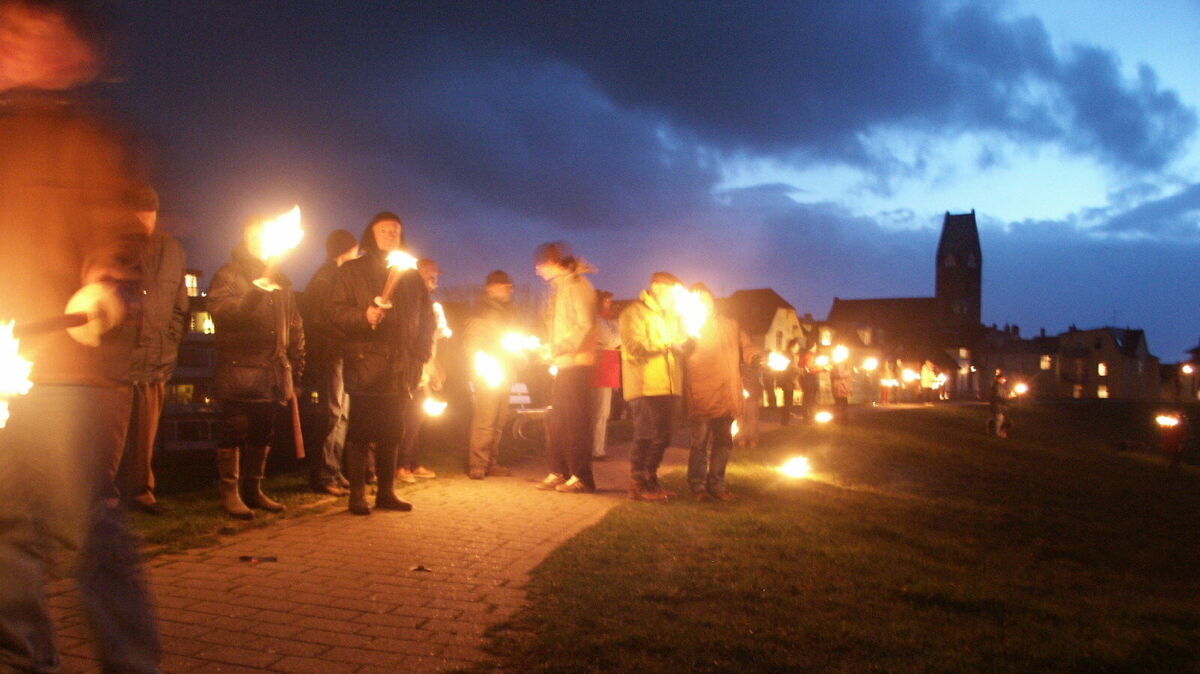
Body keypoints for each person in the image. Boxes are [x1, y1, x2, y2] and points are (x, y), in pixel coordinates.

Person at [0, 1, 161, 670]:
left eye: (27, 28)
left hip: (64, 371)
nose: (10, 41)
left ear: (71, 50)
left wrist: (103, 275)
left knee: (88, 531)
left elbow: (118, 224)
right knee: (5, 537)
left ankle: (130, 663)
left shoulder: (92, 139)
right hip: (6, 375)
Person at [329, 212, 434, 515]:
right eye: (384, 229)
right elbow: (334, 312)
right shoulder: (352, 271)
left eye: (396, 230)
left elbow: (426, 320)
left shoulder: (411, 276)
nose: (390, 234)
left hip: (402, 367)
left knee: (392, 431)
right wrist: (364, 316)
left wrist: (421, 354)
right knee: (362, 431)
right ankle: (358, 494)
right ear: (371, 234)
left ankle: (386, 492)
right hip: (366, 364)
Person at [207, 217, 305, 519]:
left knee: (263, 432)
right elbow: (225, 313)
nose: (257, 239)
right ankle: (230, 492)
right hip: (239, 369)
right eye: (251, 234)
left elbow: (295, 324)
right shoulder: (229, 274)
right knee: (234, 430)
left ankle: (253, 489)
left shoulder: (282, 279)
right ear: (244, 237)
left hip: (272, 371)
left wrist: (297, 365)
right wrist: (256, 290)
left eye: (261, 234)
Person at [105, 184, 188, 516]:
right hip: (117, 362)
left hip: (156, 360)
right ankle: (104, 500)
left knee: (144, 439)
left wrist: (169, 342)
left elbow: (179, 308)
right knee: (111, 440)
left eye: (150, 212)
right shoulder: (112, 248)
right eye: (139, 212)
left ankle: (141, 492)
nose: (145, 219)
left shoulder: (173, 251)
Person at [683, 284, 756, 502]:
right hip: (702, 391)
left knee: (724, 442)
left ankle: (717, 484)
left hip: (727, 392)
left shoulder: (730, 325)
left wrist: (756, 356)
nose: (703, 303)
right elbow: (682, 351)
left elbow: (746, 346)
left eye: (706, 298)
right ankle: (698, 486)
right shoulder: (689, 326)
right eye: (698, 299)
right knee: (700, 443)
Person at [533, 242, 597, 493]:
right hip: (563, 363)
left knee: (575, 422)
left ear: (553, 263)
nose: (538, 271)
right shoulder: (559, 289)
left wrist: (557, 348)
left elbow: (584, 325)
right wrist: (547, 350)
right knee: (557, 420)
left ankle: (582, 476)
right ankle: (558, 471)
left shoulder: (577, 286)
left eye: (540, 265)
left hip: (577, 364)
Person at [298, 229, 358, 496]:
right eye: (356, 250)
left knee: (342, 414)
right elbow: (319, 318)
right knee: (332, 412)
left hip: (341, 353)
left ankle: (333, 470)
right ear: (345, 251)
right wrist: (344, 334)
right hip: (330, 354)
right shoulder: (326, 277)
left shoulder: (336, 276)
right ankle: (322, 475)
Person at [620, 271, 687, 501]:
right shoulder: (633, 313)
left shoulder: (670, 317)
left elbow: (677, 348)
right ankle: (639, 483)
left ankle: (651, 480)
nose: (675, 298)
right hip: (645, 385)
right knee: (646, 435)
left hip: (668, 386)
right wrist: (668, 343)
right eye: (672, 293)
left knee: (663, 437)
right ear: (657, 288)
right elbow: (634, 345)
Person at [464, 269, 519, 479]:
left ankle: (491, 462)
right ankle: (477, 464)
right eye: (504, 286)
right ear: (491, 288)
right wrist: (480, 365)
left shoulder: (510, 311)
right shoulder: (481, 310)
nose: (509, 290)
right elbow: (472, 341)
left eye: (510, 286)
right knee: (485, 420)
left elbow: (514, 339)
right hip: (489, 372)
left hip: (506, 370)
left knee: (499, 421)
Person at [396, 258, 445, 483]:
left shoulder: (433, 306)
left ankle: (413, 463)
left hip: (425, 369)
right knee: (407, 419)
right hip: (408, 368)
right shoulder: (407, 303)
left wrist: (437, 367)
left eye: (436, 278)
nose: (434, 282)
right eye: (430, 276)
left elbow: (436, 339)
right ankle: (400, 466)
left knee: (417, 419)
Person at [591, 290, 620, 460]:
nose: (610, 304)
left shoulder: (607, 321)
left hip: (606, 372)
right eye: (607, 301)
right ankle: (596, 450)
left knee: (602, 413)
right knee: (599, 413)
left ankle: (597, 448)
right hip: (600, 373)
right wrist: (620, 329)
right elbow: (612, 341)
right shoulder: (598, 321)